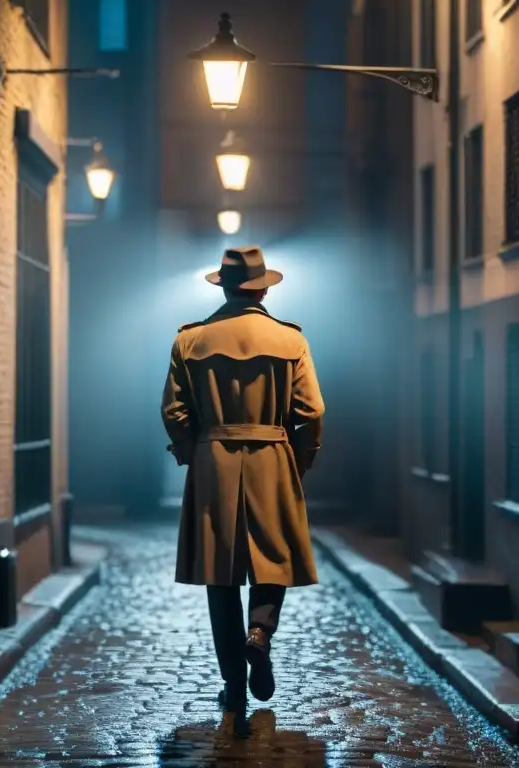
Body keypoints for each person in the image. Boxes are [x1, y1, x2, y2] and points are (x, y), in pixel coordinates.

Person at [160, 245, 326, 735]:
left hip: (213, 461)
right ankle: (261, 631)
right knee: (273, 557)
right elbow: (311, 413)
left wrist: (194, 450)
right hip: (273, 456)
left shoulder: (190, 341)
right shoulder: (289, 339)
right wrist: (298, 461)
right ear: (264, 287)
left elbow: (173, 412)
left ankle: (234, 684)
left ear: (225, 286)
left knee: (221, 575)